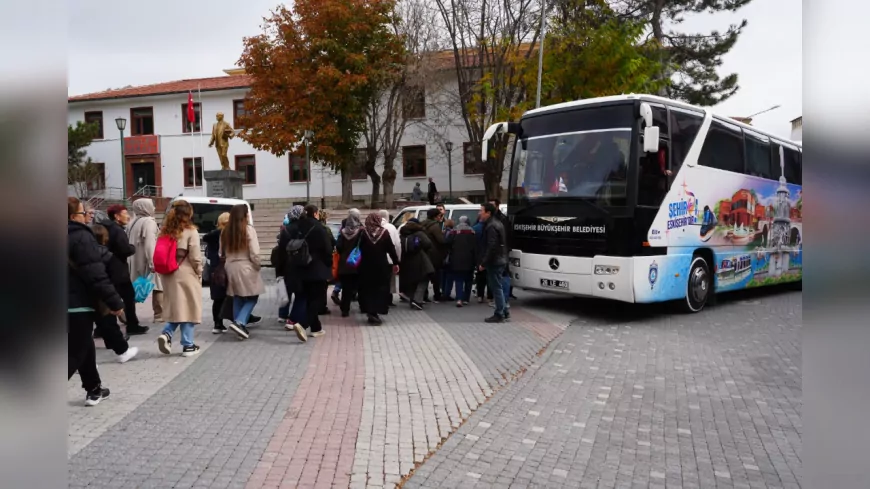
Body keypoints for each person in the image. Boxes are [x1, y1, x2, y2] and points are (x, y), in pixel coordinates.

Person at [68, 197, 125, 406]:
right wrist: (115, 302)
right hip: (77, 303)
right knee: (74, 351)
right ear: (73, 216)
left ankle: (93, 388)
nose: (87, 217)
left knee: (83, 344)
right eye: (84, 213)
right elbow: (95, 273)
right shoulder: (81, 236)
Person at [156, 200, 204, 357]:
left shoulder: (164, 231)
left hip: (168, 273)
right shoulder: (191, 231)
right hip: (185, 272)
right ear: (188, 214)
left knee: (178, 307)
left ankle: (168, 333)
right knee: (189, 307)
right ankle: (188, 345)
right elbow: (195, 256)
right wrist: (199, 272)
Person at [91, 224, 139, 363]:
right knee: (108, 322)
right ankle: (122, 350)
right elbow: (109, 279)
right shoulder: (107, 255)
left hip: (84, 294)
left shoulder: (82, 252)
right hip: (102, 294)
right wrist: (115, 302)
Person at [285, 205, 333, 338]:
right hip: (317, 268)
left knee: (307, 297)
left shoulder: (295, 226)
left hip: (299, 267)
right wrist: (329, 265)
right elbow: (327, 249)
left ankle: (316, 328)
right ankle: (302, 324)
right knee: (316, 299)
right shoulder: (319, 228)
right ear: (315, 214)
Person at [102, 204, 149, 335]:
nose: (128, 216)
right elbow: (124, 249)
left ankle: (101, 328)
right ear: (116, 216)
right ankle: (132, 325)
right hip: (118, 271)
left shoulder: (105, 227)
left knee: (109, 299)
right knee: (128, 297)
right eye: (125, 213)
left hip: (108, 268)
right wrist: (132, 248)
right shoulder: (117, 230)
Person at [221, 204, 265, 340]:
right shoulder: (248, 230)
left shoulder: (225, 231)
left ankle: (239, 327)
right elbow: (255, 252)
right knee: (253, 296)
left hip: (230, 266)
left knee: (238, 296)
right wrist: (258, 265)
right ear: (245, 215)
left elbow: (220, 252)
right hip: (246, 266)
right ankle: (239, 322)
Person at [127, 198, 164, 324]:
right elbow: (150, 243)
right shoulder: (149, 222)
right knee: (158, 286)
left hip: (134, 258)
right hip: (146, 259)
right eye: (152, 205)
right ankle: (159, 315)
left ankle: (128, 314)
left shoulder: (132, 222)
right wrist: (152, 262)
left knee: (134, 287)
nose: (153, 208)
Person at [358, 213, 400, 325]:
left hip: (365, 266)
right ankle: (376, 311)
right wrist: (396, 262)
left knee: (367, 289)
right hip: (381, 266)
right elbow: (391, 249)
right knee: (380, 289)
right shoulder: (384, 233)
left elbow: (357, 248)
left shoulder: (362, 232)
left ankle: (369, 311)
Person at [275, 205, 308, 342]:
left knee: (287, 289)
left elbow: (281, 250)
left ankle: (282, 314)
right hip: (303, 264)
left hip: (289, 265)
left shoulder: (286, 230)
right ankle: (293, 319)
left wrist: (280, 269)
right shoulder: (305, 227)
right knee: (301, 294)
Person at [478, 203, 509, 323]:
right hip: (500, 259)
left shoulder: (491, 226)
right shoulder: (497, 223)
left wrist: (483, 263)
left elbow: (491, 246)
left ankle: (499, 313)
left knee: (496, 287)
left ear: (488, 213)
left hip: (495, 261)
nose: (480, 213)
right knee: (498, 286)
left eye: (481, 211)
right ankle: (505, 311)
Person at [203, 212, 230, 333]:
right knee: (228, 296)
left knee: (218, 298)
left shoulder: (212, 235)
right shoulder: (226, 233)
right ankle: (238, 320)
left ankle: (217, 324)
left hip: (214, 269)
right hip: (226, 268)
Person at [398, 218, 434, 310]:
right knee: (423, 280)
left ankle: (412, 300)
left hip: (406, 261)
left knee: (412, 281)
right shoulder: (419, 233)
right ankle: (417, 301)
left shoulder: (402, 234)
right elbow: (428, 243)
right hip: (420, 260)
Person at [335, 212, 363, 317]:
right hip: (358, 263)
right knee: (360, 286)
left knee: (346, 288)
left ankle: (345, 309)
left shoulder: (342, 232)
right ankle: (363, 306)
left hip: (344, 263)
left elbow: (338, 246)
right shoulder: (361, 231)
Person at [445, 216, 477, 307]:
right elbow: (475, 246)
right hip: (469, 259)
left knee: (459, 279)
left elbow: (447, 242)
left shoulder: (454, 231)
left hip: (456, 259)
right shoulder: (472, 231)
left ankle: (459, 299)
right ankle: (466, 298)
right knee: (468, 280)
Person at [489, 198, 516, 300]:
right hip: (498, 250)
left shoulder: (502, 219)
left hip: (501, 251)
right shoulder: (492, 218)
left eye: (492, 205)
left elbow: (505, 235)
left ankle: (504, 297)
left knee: (503, 274)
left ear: (497, 206)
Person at [421, 208, 446, 302]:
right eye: (440, 216)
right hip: (434, 254)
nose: (441, 217)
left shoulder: (422, 224)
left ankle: (424, 295)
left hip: (424, 253)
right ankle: (437, 295)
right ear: (435, 216)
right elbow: (441, 240)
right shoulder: (435, 226)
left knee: (425, 275)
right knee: (436, 276)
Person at [379, 209, 401, 305]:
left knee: (379, 280)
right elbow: (397, 244)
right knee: (390, 280)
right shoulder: (391, 227)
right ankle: (388, 300)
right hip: (390, 259)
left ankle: (380, 299)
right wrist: (398, 259)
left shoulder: (374, 226)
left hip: (378, 259)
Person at [472, 217, 488, 303]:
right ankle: (490, 296)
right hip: (488, 254)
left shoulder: (475, 228)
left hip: (478, 255)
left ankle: (480, 295)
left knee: (480, 276)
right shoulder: (488, 228)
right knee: (489, 276)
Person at [441, 218, 456, 299]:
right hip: (449, 256)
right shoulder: (452, 233)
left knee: (443, 275)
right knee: (449, 276)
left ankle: (443, 291)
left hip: (442, 256)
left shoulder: (442, 232)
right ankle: (447, 293)